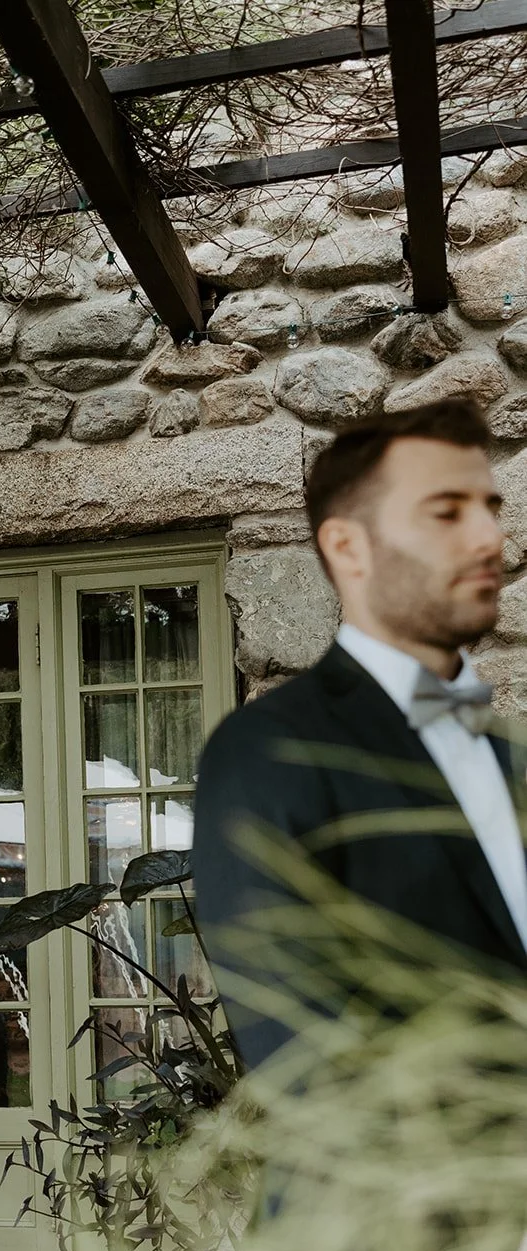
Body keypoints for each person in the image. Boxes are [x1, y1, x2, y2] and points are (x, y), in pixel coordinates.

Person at [193, 397, 527, 1071]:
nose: (488, 538)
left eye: (488, 508)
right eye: (445, 512)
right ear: (347, 546)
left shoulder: (506, 754)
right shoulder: (266, 750)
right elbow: (301, 1060)